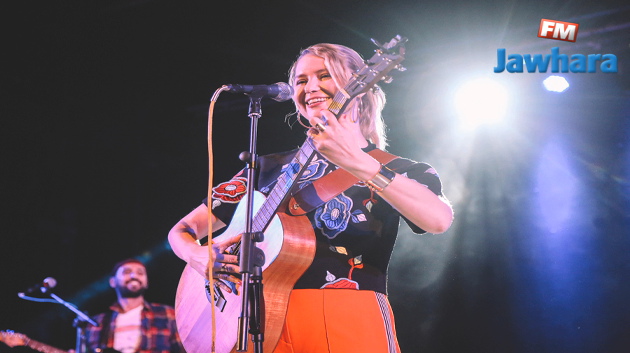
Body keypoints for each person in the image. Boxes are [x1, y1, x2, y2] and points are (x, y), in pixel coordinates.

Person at [168, 43, 453, 353]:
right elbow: (183, 230)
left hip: (348, 317)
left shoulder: (400, 169)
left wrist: (361, 163)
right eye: (301, 81)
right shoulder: (265, 167)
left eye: (324, 75)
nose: (311, 87)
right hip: (258, 320)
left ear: (358, 85)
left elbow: (437, 220)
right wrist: (196, 256)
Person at [84, 259, 185, 353]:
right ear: (112, 282)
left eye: (140, 273)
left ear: (146, 282)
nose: (134, 276)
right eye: (127, 272)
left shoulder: (167, 314)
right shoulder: (96, 322)